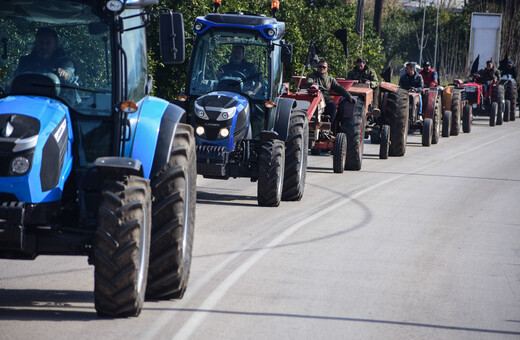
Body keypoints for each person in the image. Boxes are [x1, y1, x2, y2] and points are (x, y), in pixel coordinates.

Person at [306, 59, 357, 125]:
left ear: (327, 68)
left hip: (325, 101)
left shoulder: (330, 79)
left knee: (333, 106)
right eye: (320, 67)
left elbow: (339, 88)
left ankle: (329, 127)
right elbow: (309, 82)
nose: (322, 68)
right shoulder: (311, 76)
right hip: (313, 100)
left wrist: (349, 96)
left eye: (324, 67)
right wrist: (313, 85)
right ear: (317, 67)